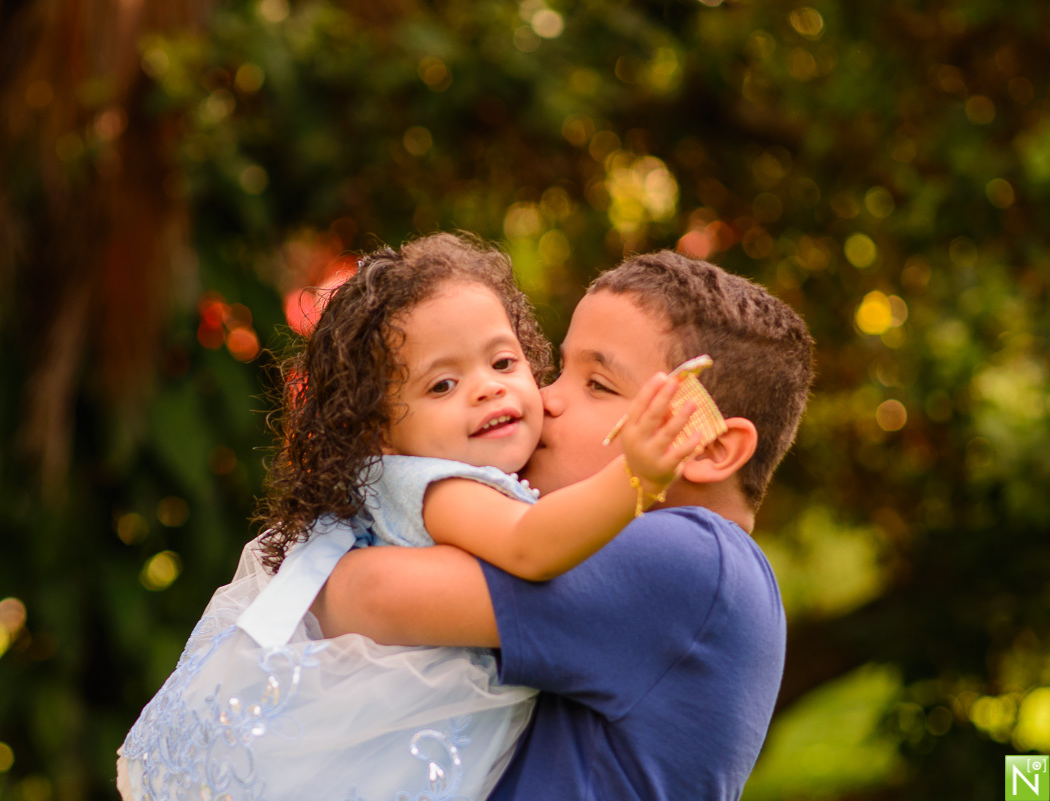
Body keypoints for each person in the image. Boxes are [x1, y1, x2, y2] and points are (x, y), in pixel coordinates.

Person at [117, 234, 703, 800]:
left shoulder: (445, 478)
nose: (486, 389)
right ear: (380, 432)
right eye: (442, 385)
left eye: (503, 362)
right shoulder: (440, 486)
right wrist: (634, 476)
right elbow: (530, 546)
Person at [314, 249, 816, 799]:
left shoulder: (694, 560)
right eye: (558, 371)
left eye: (597, 384)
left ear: (708, 446)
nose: (544, 398)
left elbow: (365, 593)